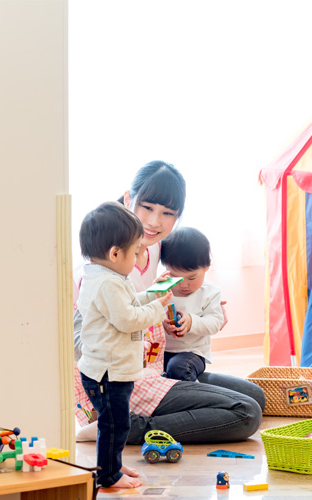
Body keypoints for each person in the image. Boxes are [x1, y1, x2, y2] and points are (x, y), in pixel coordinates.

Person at [74, 160, 265, 448]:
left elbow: (191, 274)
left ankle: (163, 405)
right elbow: (81, 343)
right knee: (245, 412)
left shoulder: (157, 248)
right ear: (128, 199)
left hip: (156, 366)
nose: (154, 222)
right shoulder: (105, 261)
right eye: (147, 207)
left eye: (167, 213)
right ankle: (130, 427)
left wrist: (207, 305)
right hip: (123, 377)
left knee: (257, 396)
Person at [77, 202, 173, 488]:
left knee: (116, 423)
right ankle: (108, 475)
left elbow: (129, 304)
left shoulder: (107, 277)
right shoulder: (107, 284)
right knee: (115, 424)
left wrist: (152, 297)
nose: (139, 257)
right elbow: (128, 319)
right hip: (108, 374)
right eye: (136, 252)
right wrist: (157, 309)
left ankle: (113, 465)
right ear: (115, 253)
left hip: (111, 371)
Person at [159, 227, 223, 382]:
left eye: (192, 278)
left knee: (178, 368)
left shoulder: (209, 292)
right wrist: (163, 325)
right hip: (160, 352)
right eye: (175, 277)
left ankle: (197, 397)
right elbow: (147, 315)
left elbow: (215, 323)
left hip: (192, 353)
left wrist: (191, 321)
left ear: (206, 267)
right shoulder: (161, 288)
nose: (183, 285)